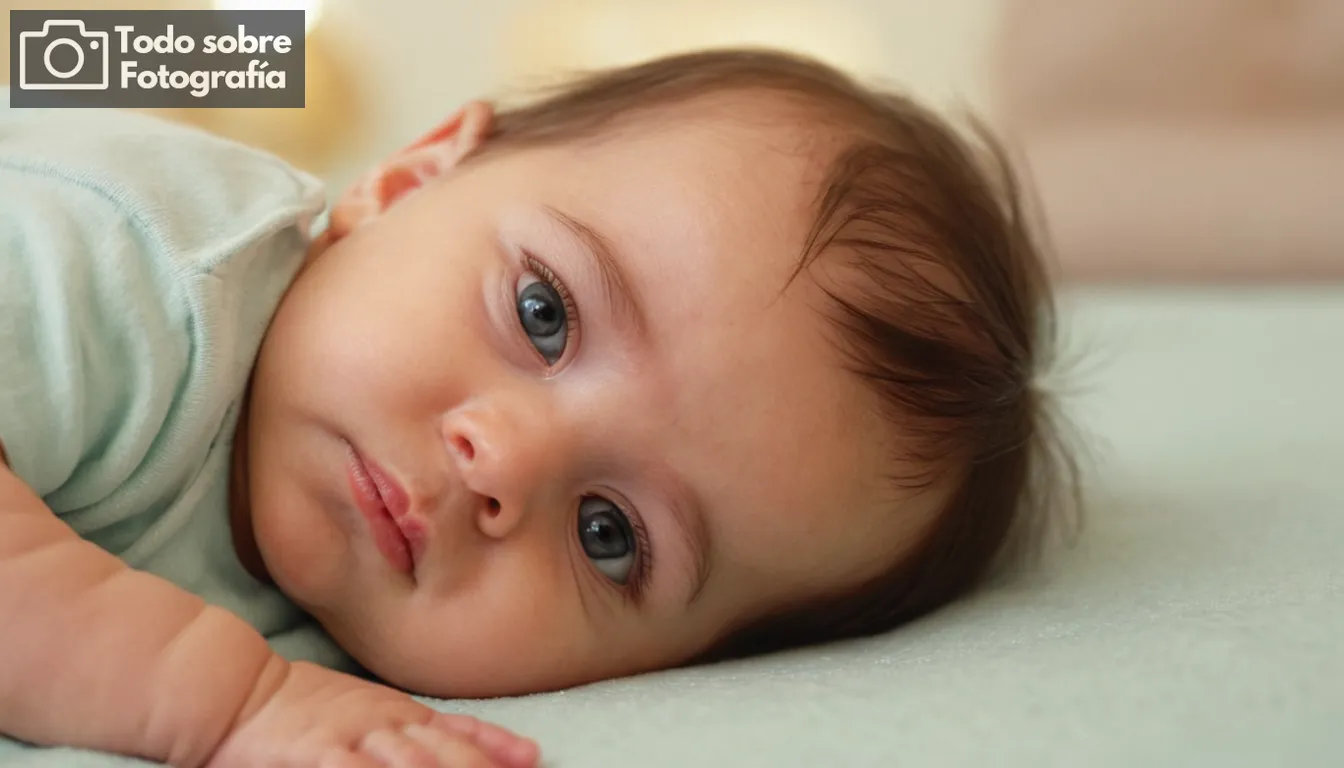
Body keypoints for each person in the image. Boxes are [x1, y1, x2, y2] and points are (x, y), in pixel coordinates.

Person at [0, 48, 1075, 767]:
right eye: (544, 313)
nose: (502, 463)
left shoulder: (363, 675)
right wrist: (224, 704)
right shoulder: (130, 260)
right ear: (410, 180)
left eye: (610, 537)